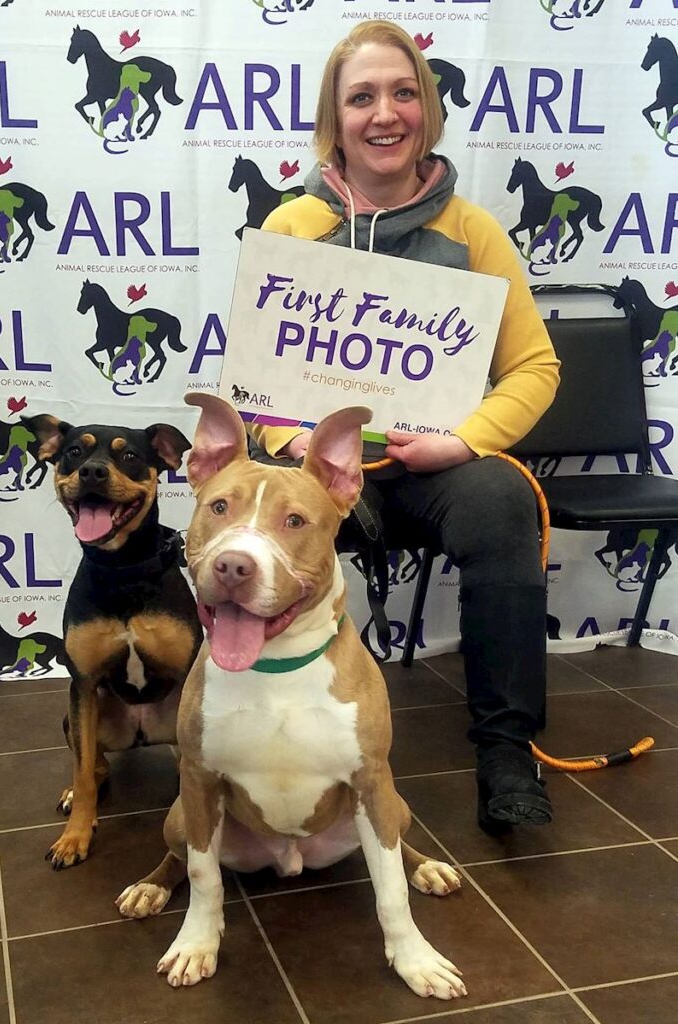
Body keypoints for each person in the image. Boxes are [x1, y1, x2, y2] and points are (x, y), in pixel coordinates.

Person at [247, 19, 560, 833]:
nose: (384, 113)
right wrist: (305, 456)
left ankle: (505, 752)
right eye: (361, 98)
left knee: (498, 502)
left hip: (431, 467)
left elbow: (535, 367)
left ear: (424, 107)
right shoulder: (290, 228)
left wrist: (462, 442)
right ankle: (246, 739)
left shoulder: (472, 230)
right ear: (334, 118)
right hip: (316, 469)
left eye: (402, 92)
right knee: (244, 518)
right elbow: (255, 383)